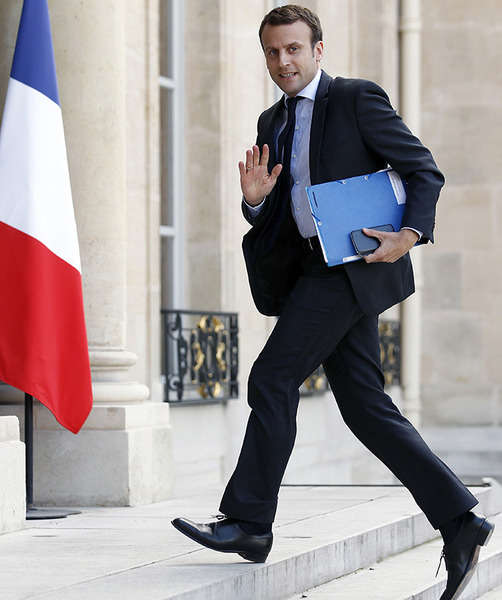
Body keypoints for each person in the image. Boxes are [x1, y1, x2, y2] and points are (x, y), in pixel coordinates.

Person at [172, 5, 494, 598]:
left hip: (349, 271)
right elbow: (279, 214)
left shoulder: (355, 99)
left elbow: (424, 171)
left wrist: (409, 235)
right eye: (273, 52)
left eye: (294, 49)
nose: (283, 62)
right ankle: (459, 522)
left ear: (318, 50)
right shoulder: (272, 120)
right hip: (307, 273)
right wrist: (255, 201)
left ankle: (249, 522)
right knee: (366, 407)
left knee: (271, 378)